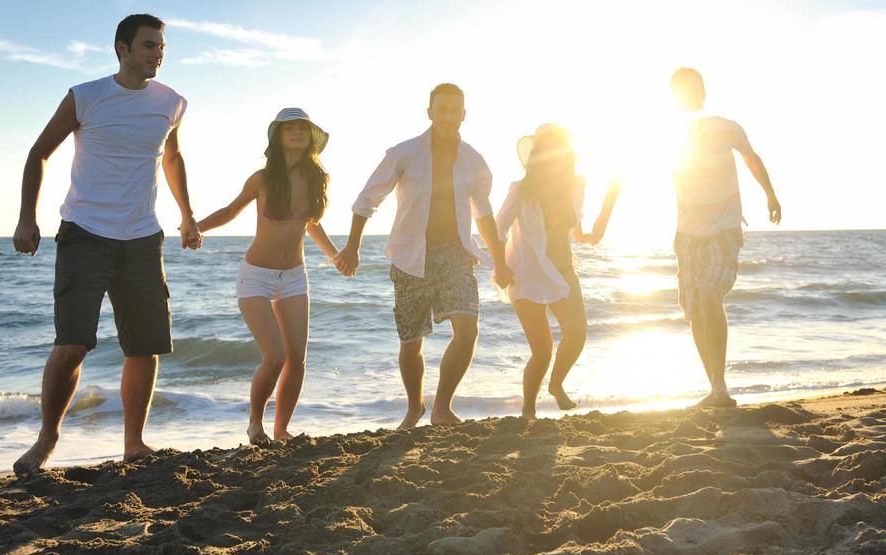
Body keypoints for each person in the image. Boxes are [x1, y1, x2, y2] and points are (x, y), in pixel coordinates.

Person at [11, 14, 201, 475]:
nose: (158, 53)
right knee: (73, 343)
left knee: (145, 346)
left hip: (141, 238)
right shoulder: (86, 97)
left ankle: (134, 443)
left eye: (162, 46)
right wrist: (26, 218)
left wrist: (187, 214)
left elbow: (171, 157)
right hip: (85, 234)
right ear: (122, 48)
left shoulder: (172, 103)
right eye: (149, 45)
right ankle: (46, 439)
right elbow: (38, 152)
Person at [336, 83, 509, 429]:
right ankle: (415, 407)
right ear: (429, 113)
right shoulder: (404, 153)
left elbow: (484, 212)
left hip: (456, 255)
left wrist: (500, 260)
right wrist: (352, 246)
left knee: (467, 329)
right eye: (441, 109)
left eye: (455, 110)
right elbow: (366, 199)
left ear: (464, 114)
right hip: (410, 258)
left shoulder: (474, 160)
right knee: (411, 342)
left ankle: (442, 408)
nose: (448, 116)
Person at [196, 108, 341, 445]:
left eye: (302, 128)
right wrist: (196, 227)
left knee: (297, 359)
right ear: (277, 136)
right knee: (274, 355)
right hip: (256, 276)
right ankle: (255, 424)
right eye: (289, 128)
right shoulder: (261, 179)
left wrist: (334, 255)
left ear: (311, 138)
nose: (297, 133)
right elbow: (231, 211)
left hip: (294, 276)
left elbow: (312, 224)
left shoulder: (316, 178)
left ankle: (281, 430)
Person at [668, 67, 781, 408]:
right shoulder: (668, 135)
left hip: (724, 229)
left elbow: (751, 157)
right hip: (687, 234)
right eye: (680, 91)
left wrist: (771, 195)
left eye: (692, 89)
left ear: (703, 91)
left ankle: (720, 388)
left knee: (707, 294)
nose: (688, 95)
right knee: (694, 312)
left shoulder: (726, 127)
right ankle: (714, 386)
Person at [495, 124, 621, 419]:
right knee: (542, 351)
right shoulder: (520, 190)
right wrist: (500, 265)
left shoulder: (577, 185)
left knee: (577, 334)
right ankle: (528, 411)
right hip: (526, 273)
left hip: (563, 269)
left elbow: (580, 233)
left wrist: (606, 208)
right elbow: (497, 228)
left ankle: (556, 384)